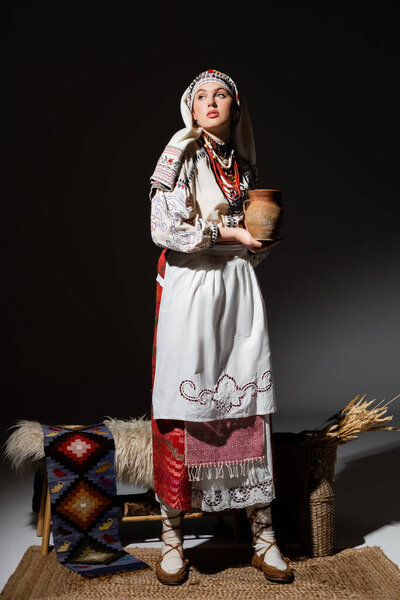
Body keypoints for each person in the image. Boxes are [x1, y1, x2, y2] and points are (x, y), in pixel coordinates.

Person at [149, 68, 294, 586]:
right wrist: (229, 232)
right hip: (191, 289)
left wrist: (253, 246)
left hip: (235, 287)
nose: (212, 102)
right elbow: (163, 227)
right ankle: (172, 540)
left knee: (247, 404)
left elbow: (245, 240)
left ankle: (263, 537)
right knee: (183, 409)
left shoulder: (242, 166)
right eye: (201, 96)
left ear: (236, 107)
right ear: (190, 109)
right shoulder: (180, 153)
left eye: (222, 95)